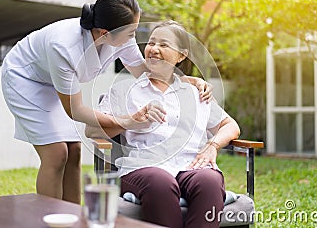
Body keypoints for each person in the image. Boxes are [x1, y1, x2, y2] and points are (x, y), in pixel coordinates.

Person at [1, 0, 213, 204]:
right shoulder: (63, 46)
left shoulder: (121, 32)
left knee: (73, 151)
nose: (134, 39)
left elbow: (145, 74)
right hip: (25, 78)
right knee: (56, 154)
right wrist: (126, 121)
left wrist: (188, 81)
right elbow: (75, 110)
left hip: (52, 79)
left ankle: (74, 218)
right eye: (130, 34)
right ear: (104, 33)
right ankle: (47, 220)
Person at [85, 20, 240, 228]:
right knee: (160, 182)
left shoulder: (196, 93)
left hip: (191, 165)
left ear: (181, 55)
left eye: (164, 45)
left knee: (210, 182)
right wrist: (132, 121)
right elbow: (92, 129)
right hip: (144, 166)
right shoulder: (124, 90)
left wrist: (213, 146)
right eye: (151, 43)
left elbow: (230, 125)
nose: (154, 49)